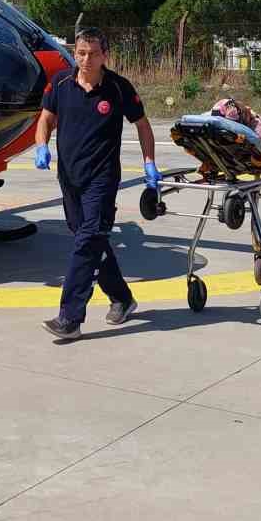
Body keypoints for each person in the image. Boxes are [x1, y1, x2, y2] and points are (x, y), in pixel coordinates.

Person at [34, 27, 160, 341]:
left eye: (93, 53)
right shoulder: (61, 83)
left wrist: (148, 161)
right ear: (74, 53)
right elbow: (46, 118)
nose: (86, 59)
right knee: (93, 241)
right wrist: (41, 145)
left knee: (87, 240)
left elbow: (142, 125)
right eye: (81, 53)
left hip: (101, 180)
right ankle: (122, 298)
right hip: (69, 178)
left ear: (105, 55)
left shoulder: (118, 88)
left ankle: (70, 318)